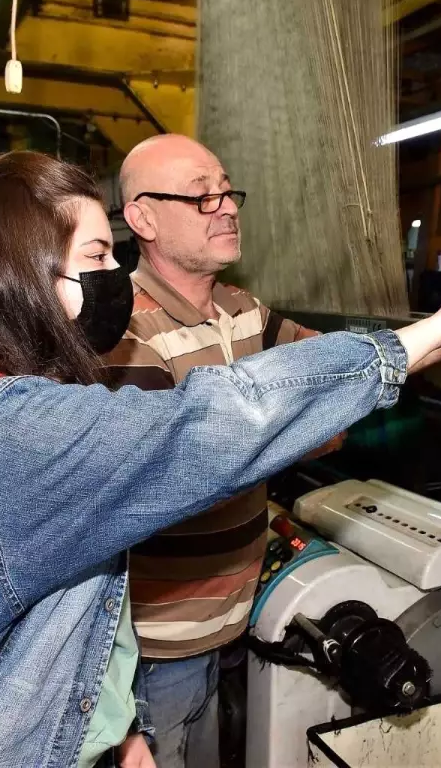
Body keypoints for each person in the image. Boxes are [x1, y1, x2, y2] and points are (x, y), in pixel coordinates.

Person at [0, 151, 441, 768]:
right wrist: (416, 338)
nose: (110, 276)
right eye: (96, 257)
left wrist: (117, 730)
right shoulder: (9, 428)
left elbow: (51, 603)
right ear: (23, 280)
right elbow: (207, 427)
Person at [106, 133, 376, 766]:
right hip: (157, 646)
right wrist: (296, 426)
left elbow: (337, 379)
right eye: (202, 195)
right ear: (142, 217)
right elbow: (185, 471)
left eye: (227, 191)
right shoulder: (125, 334)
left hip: (229, 620)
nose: (225, 206)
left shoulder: (242, 310)